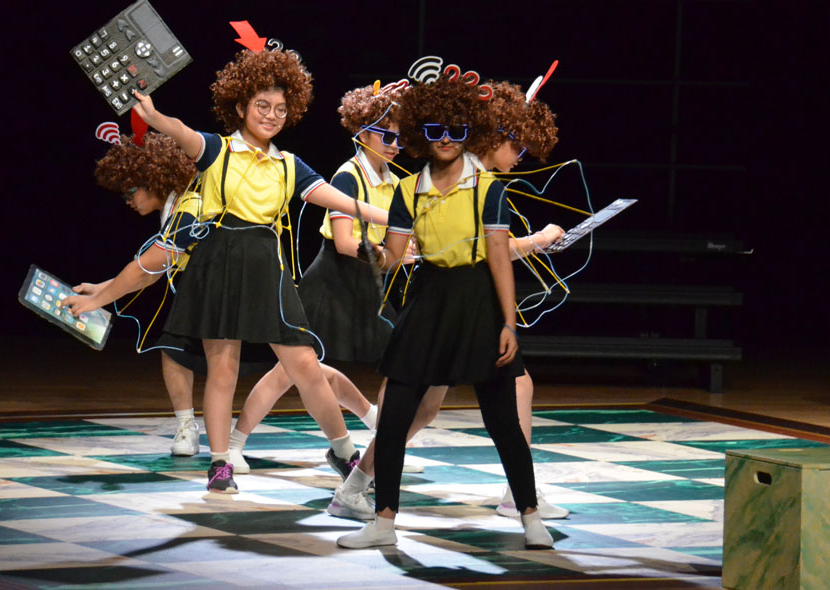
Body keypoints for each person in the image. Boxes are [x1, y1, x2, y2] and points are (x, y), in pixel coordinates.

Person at [130, 47, 390, 494]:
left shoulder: (288, 164)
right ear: (240, 107)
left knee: (305, 364)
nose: (271, 115)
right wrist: (153, 116)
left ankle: (344, 451)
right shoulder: (218, 150)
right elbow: (181, 132)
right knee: (223, 367)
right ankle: (219, 463)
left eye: (281, 109)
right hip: (219, 264)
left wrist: (395, 218)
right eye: (262, 106)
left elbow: (342, 201)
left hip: (267, 267)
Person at [330, 80, 570, 522]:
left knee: (428, 407)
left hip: (469, 303)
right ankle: (518, 495)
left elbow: (489, 249)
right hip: (441, 302)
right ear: (496, 136)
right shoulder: (457, 175)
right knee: (490, 390)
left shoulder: (482, 180)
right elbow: (486, 250)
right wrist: (536, 240)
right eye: (517, 146)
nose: (520, 158)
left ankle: (356, 486)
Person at [227, 82, 409, 476]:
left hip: (367, 283)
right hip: (331, 282)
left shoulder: (394, 182)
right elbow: (345, 242)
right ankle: (233, 444)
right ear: (363, 134)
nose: (396, 145)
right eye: (387, 135)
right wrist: (389, 254)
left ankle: (378, 430)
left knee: (399, 361)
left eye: (401, 137)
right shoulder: (348, 176)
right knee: (290, 371)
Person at [62, 132, 206, 457]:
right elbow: (153, 269)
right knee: (174, 350)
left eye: (131, 191)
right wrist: (102, 289)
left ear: (153, 181)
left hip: (237, 290)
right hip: (206, 293)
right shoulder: (177, 207)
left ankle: (229, 448)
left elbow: (144, 270)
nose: (127, 200)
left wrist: (94, 302)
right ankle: (190, 428)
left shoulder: (191, 207)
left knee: (290, 365)